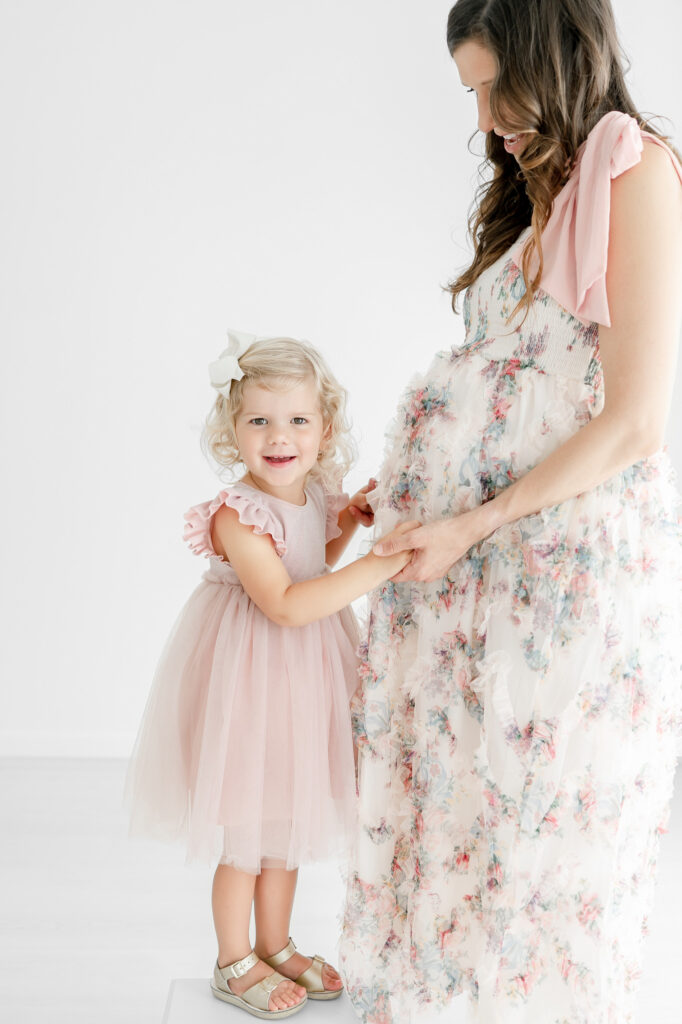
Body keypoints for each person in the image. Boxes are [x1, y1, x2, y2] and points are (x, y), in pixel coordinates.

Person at [339, 1, 682, 1022]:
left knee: (544, 826)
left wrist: (466, 521)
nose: (489, 119)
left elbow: (630, 422)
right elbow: (507, 373)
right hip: (464, 578)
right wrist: (403, 490)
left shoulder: (634, 168)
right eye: (474, 96)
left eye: (501, 86)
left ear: (560, 53)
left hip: (553, 567)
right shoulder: (541, 188)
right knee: (458, 814)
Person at [126, 331, 411, 1019]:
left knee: (285, 821)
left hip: (304, 674)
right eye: (259, 421)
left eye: (296, 420)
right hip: (251, 675)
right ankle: (232, 961)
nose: (278, 437)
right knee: (245, 832)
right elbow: (284, 601)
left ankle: (276, 943)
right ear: (232, 430)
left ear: (325, 428)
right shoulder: (237, 515)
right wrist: (373, 568)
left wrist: (347, 522)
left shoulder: (313, 492)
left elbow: (311, 551)